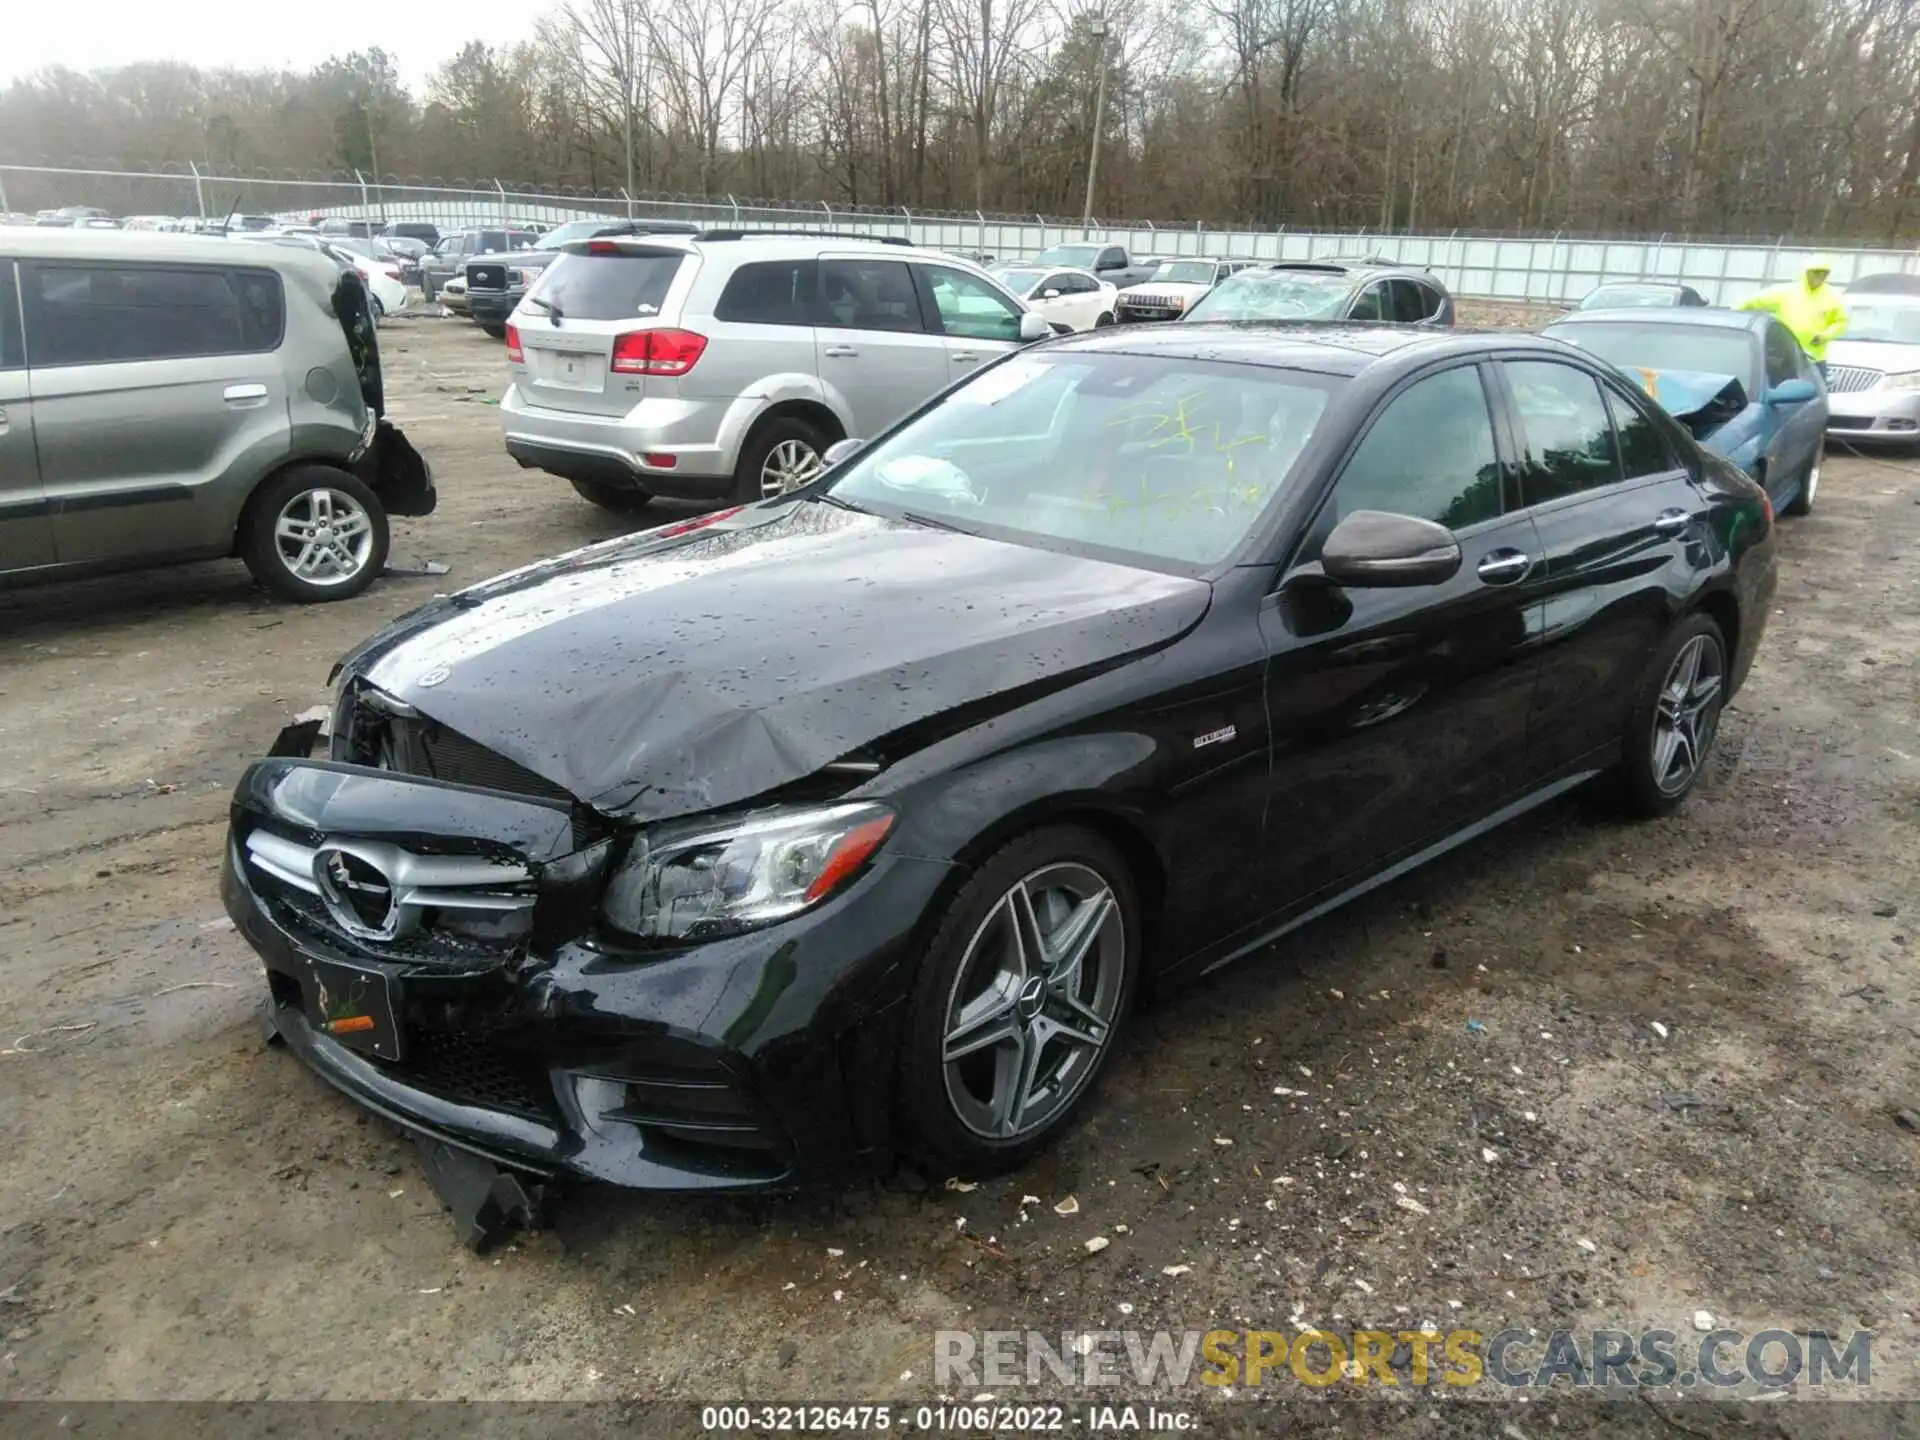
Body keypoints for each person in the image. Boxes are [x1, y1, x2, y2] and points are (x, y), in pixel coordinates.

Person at [1737, 259, 1847, 372]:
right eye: (1816, 272)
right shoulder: (1786, 292)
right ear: (1807, 272)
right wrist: (1734, 312)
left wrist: (1824, 336)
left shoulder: (1834, 297)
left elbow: (1841, 322)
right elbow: (1756, 301)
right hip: (1785, 357)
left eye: (1824, 273)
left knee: (1815, 389)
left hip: (1814, 360)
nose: (1820, 276)